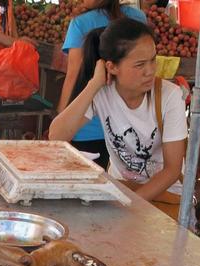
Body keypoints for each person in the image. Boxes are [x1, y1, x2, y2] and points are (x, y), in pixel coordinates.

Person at [50, 18, 188, 214]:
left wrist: (128, 205)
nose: (150, 71)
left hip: (164, 196)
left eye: (153, 60)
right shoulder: (102, 93)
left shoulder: (170, 96)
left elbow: (172, 170)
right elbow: (56, 135)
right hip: (119, 190)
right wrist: (94, 84)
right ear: (112, 67)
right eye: (140, 65)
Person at [58, 0, 147, 169]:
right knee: (124, 188)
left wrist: (63, 116)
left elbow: (73, 76)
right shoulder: (139, 17)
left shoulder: (80, 23)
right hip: (129, 129)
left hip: (87, 128)